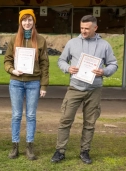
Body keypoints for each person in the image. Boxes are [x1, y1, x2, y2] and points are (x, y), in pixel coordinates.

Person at [50, 15, 118, 164]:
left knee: (90, 122)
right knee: (65, 120)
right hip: (75, 88)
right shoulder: (72, 43)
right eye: (81, 28)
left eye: (87, 28)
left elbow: (113, 64)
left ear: (95, 28)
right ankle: (60, 151)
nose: (83, 31)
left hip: (94, 90)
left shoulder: (104, 45)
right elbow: (61, 60)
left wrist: (104, 71)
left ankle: (85, 151)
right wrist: (68, 68)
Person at [4, 9, 49, 160]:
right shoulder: (13, 39)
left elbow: (44, 65)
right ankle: (14, 146)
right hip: (16, 82)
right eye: (24, 20)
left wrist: (43, 86)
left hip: (33, 83)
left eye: (30, 20)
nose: (27, 23)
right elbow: (7, 60)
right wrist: (12, 70)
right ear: (20, 22)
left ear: (34, 21)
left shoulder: (41, 40)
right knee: (16, 115)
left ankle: (30, 146)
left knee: (31, 115)